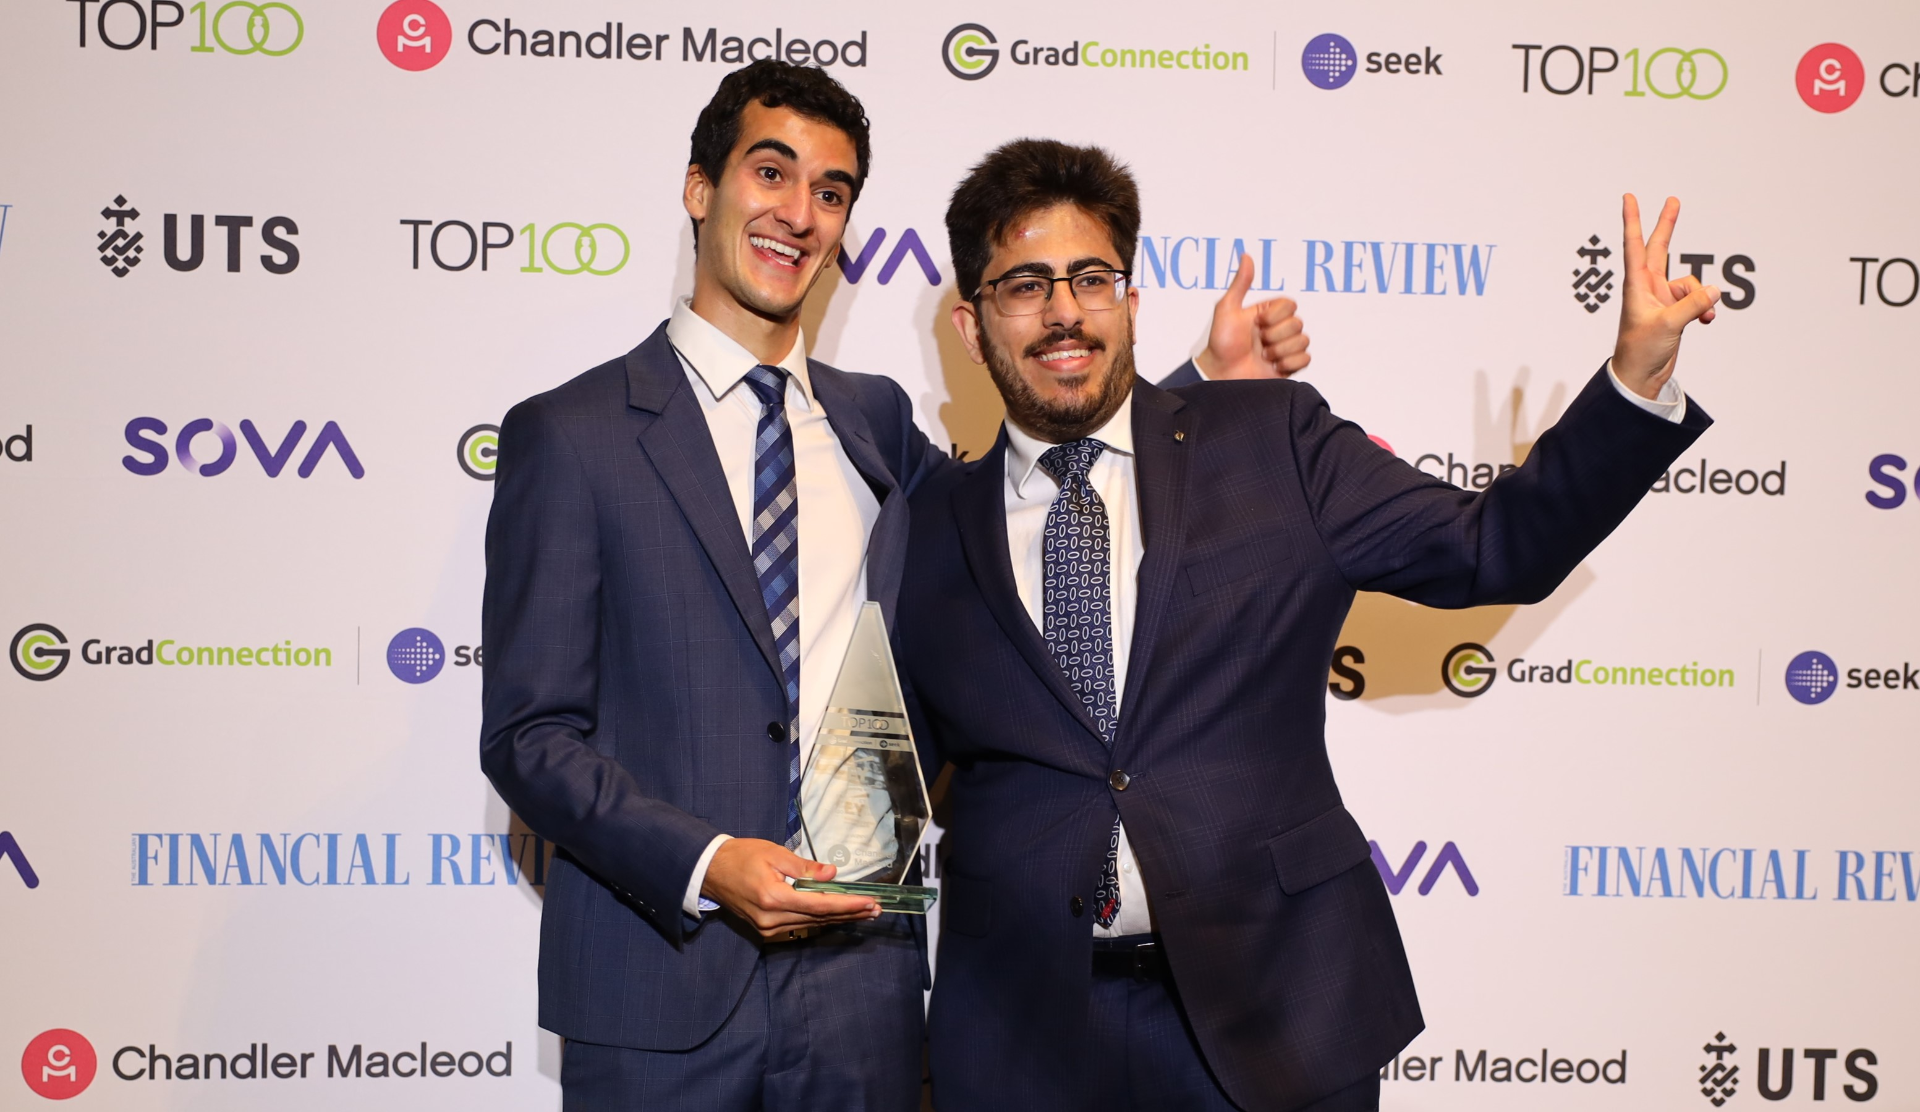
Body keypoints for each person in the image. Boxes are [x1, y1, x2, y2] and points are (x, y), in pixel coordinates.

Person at [479, 63, 1301, 1111]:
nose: (800, 212)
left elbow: (1023, 505)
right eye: (771, 172)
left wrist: (1197, 380)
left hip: (861, 980)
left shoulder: (871, 422)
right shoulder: (574, 432)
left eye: (832, 191)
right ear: (700, 188)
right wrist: (710, 860)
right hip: (658, 981)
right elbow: (530, 734)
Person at [895, 139, 1718, 1112]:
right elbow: (884, 794)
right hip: (1022, 1039)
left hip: (1271, 1016)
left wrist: (1633, 379)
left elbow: (1498, 548)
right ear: (972, 320)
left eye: (1091, 278)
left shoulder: (1272, 440)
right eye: (1025, 283)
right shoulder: (925, 523)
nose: (1065, 308)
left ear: (1131, 297)